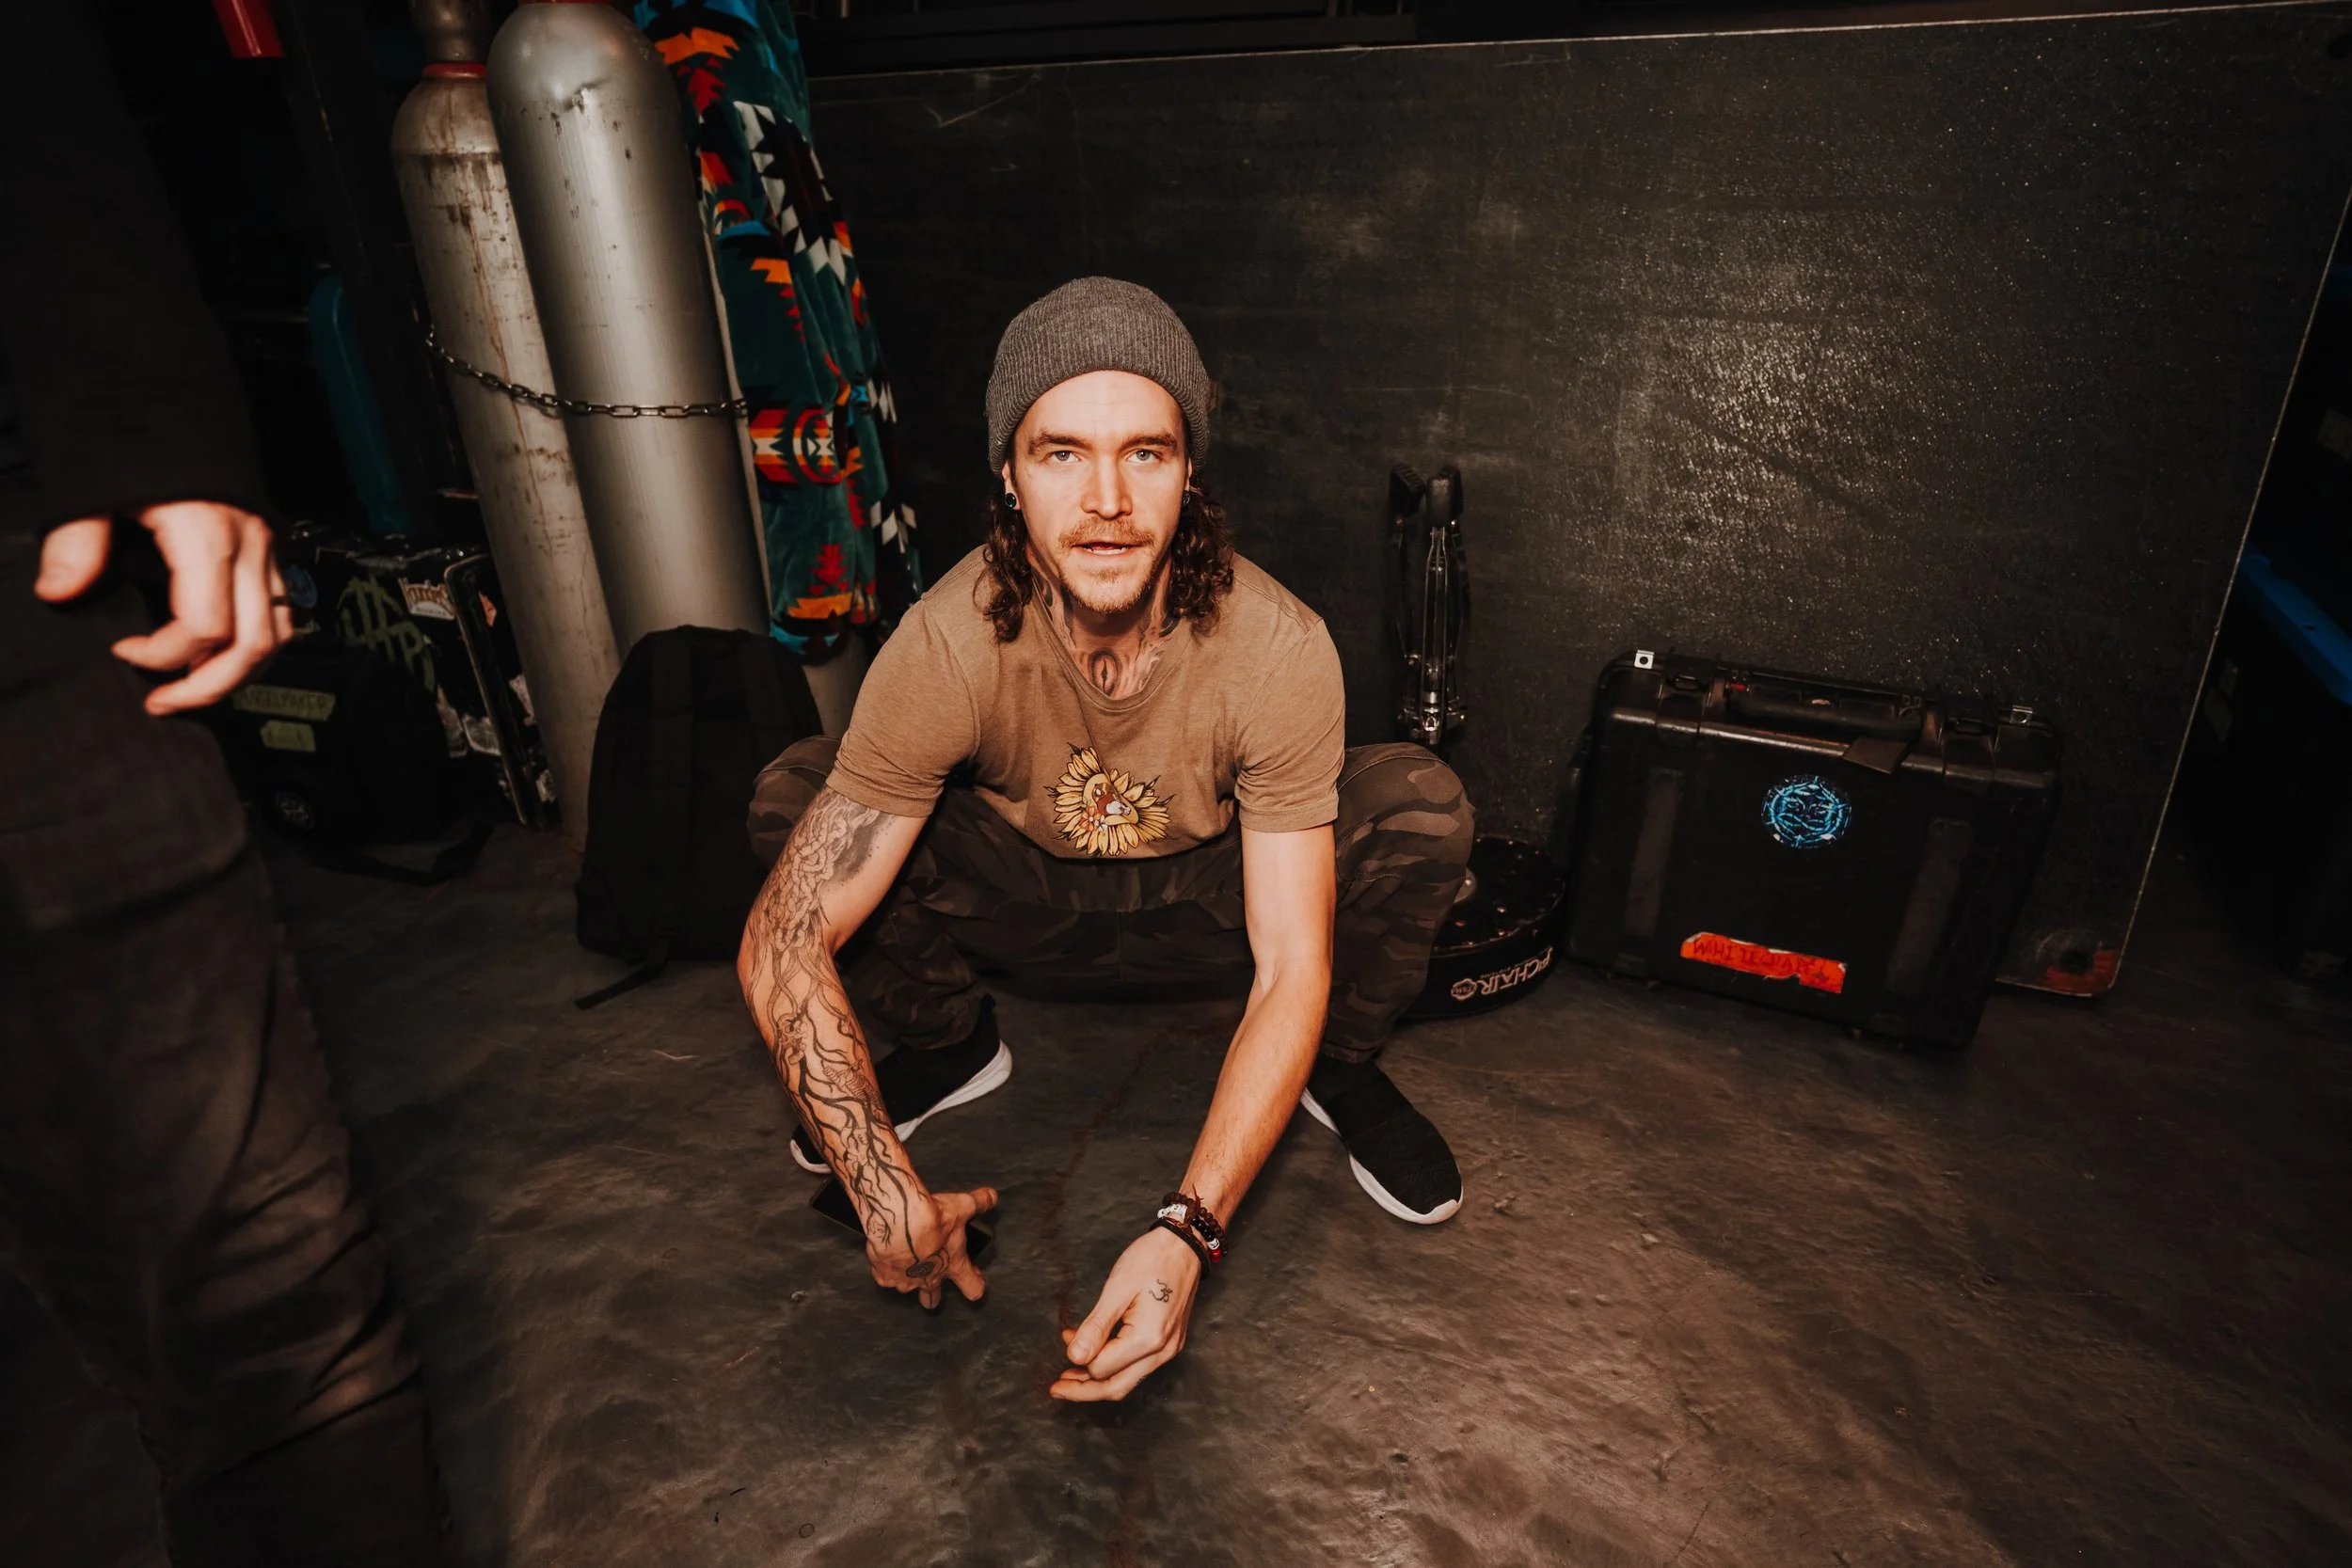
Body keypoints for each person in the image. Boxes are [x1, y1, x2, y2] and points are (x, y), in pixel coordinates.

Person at [739, 277, 1475, 1402]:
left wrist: (1188, 1231)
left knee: (1419, 798)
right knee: (801, 796)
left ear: (1189, 472)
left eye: (1145, 452)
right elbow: (781, 939)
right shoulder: (943, 643)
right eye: (1061, 453)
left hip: (1205, 915)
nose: (1107, 500)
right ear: (1008, 473)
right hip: (1024, 910)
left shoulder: (1276, 646)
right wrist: (884, 1188)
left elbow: (1290, 965)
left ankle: (1336, 1067)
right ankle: (947, 1041)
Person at [0, 11, 451, 1563]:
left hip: (25, 554)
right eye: (1068, 454)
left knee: (260, 1288)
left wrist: (144, 409)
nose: (1108, 500)